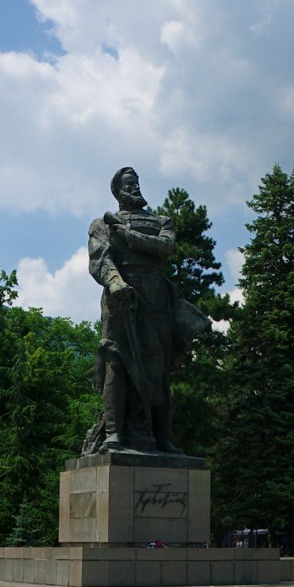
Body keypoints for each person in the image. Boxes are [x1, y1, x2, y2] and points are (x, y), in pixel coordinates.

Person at [84, 167, 208, 455]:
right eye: (129, 184)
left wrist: (127, 234)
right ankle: (114, 434)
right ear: (117, 191)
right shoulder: (101, 225)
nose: (135, 188)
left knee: (159, 367)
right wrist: (115, 282)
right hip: (122, 300)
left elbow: (165, 247)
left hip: (156, 301)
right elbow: (99, 259)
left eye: (137, 183)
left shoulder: (162, 221)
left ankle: (162, 437)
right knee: (117, 360)